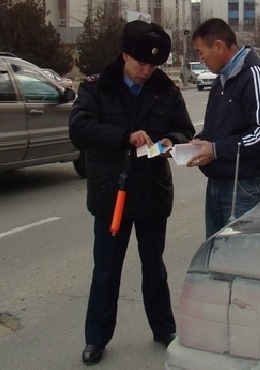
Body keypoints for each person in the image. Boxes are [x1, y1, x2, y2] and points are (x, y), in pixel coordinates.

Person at [69, 20, 195, 365]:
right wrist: (125, 135)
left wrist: (173, 141)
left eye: (153, 65)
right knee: (107, 269)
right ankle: (96, 338)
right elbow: (79, 129)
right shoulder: (97, 88)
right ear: (125, 55)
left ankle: (163, 328)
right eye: (141, 63)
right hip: (113, 193)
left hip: (152, 191)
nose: (146, 70)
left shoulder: (165, 89)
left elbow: (185, 129)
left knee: (154, 266)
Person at [186, 18, 260, 238]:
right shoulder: (221, 81)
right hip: (216, 183)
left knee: (239, 257)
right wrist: (192, 145)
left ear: (219, 46)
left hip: (242, 188)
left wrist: (216, 150)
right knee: (216, 256)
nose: (201, 59)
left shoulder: (255, 76)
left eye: (201, 53)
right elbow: (217, 132)